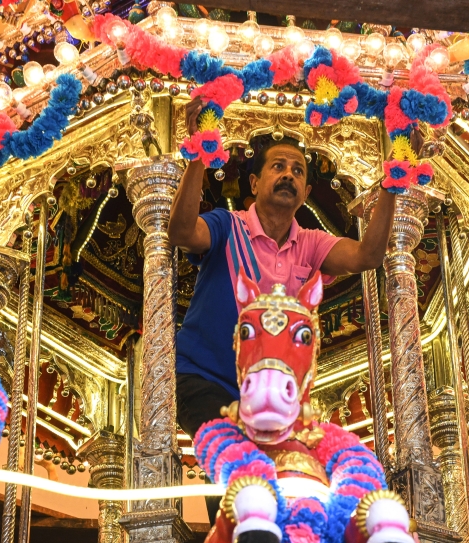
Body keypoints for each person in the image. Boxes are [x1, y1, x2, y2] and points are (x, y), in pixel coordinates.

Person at [169, 98, 410, 440]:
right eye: (278, 167)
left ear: (306, 192)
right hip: (202, 379)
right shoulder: (227, 226)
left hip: (271, 392)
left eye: (297, 171)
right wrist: (198, 156)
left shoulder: (311, 243)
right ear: (254, 183)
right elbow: (181, 233)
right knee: (235, 463)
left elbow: (366, 258)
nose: (288, 175)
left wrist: (391, 182)